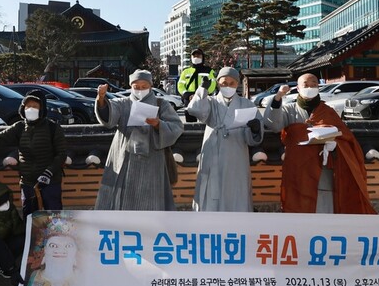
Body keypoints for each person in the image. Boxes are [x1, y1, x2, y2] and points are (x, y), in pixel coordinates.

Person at [263, 73, 375, 214]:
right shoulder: (289, 109)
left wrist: (335, 143)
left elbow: (345, 136)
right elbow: (274, 125)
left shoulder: (328, 111)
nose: (310, 87)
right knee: (298, 203)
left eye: (314, 84)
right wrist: (278, 97)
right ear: (298, 88)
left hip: (324, 170)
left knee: (325, 204)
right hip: (298, 167)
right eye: (306, 84)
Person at [95, 69, 183, 210]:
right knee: (122, 196)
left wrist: (158, 124)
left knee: (151, 199)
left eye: (144, 87)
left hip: (152, 161)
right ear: (131, 86)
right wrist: (101, 99)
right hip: (125, 157)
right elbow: (108, 119)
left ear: (150, 86)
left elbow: (177, 126)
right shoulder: (122, 103)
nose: (140, 90)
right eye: (136, 87)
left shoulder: (161, 104)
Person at [0, 90, 67, 217]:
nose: (30, 109)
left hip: (50, 183)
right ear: (22, 108)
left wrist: (48, 173)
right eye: (28, 106)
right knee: (29, 218)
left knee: (54, 218)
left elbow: (61, 154)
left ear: (42, 109)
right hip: (28, 183)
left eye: (35, 106)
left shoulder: (53, 128)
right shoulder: (19, 127)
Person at [186, 67, 263, 212]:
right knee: (210, 190)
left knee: (236, 191)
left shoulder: (247, 104)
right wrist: (202, 90)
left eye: (232, 83)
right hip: (212, 153)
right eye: (224, 83)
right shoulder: (210, 101)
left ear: (237, 84)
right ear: (217, 84)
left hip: (236, 156)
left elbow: (255, 137)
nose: (228, 86)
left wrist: (255, 129)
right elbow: (195, 111)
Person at [25, 217, 78, 286]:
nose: (60, 250)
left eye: (68, 245)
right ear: (44, 252)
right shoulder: (35, 277)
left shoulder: (82, 278)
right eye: (53, 245)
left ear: (75, 252)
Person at [177, 48, 216, 122]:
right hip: (189, 99)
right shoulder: (185, 71)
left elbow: (213, 85)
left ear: (202, 57)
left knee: (206, 122)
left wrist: (204, 94)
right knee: (190, 123)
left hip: (204, 98)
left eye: (198, 56)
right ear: (191, 58)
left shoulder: (209, 71)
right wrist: (187, 95)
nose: (196, 58)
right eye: (194, 56)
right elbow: (180, 85)